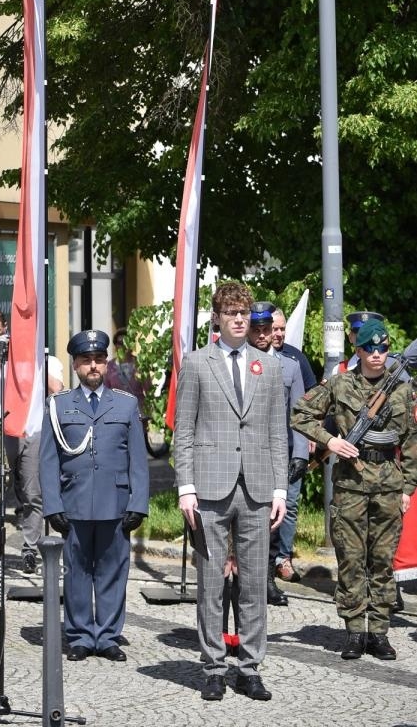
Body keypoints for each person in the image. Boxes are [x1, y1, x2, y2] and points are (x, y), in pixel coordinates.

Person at [174, 281, 288, 702]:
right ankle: (213, 666)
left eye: (245, 313)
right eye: (232, 313)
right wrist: (186, 487)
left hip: (257, 487)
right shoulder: (197, 363)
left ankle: (250, 667)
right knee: (210, 583)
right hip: (209, 486)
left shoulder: (269, 366)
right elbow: (183, 430)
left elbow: (279, 431)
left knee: (256, 582)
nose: (240, 319)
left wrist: (280, 489)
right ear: (217, 318)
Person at [291, 317, 417, 661]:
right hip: (350, 485)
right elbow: (300, 413)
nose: (377, 354)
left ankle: (379, 632)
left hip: (390, 486)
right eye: (369, 348)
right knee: (350, 560)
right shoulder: (340, 385)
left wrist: (408, 486)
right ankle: (354, 631)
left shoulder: (402, 389)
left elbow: (410, 441)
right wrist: (331, 439)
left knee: (382, 561)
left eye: (383, 347)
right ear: (357, 350)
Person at [39, 329, 149, 662]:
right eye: (86, 360)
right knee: (76, 571)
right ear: (75, 365)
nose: (93, 366)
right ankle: (81, 635)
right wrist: (53, 505)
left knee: (113, 570)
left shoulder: (126, 404)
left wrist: (138, 504)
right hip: (74, 502)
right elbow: (47, 460)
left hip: (115, 504)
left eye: (99, 359)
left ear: (106, 363)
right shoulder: (59, 406)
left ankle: (108, 636)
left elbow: (138, 461)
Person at [0, 350, 63, 574]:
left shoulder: (48, 361)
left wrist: (39, 363)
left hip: (33, 431)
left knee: (33, 493)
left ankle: (30, 550)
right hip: (5, 430)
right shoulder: (6, 360)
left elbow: (57, 389)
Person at [248, 302, 308, 604]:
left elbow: (299, 416)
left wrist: (301, 454)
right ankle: (244, 579)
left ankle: (268, 580)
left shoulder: (290, 366)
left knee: (273, 519)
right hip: (242, 455)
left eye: (268, 328)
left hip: (277, 456)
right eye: (257, 329)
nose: (264, 334)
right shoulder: (237, 361)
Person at [104, 328, 145, 409]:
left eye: (127, 342)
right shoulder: (109, 367)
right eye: (120, 343)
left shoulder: (140, 364)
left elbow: (149, 389)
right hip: (117, 413)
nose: (124, 345)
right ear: (115, 346)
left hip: (138, 412)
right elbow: (105, 393)